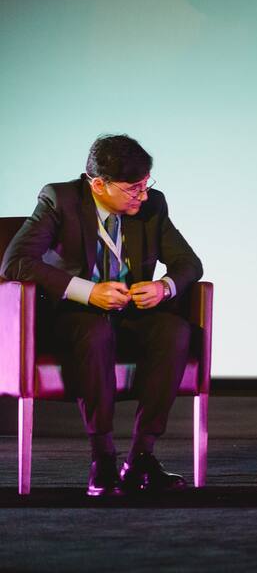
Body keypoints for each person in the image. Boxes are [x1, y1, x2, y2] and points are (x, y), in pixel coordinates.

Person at [1, 134, 203, 497]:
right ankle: (103, 458)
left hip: (129, 315)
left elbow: (189, 263)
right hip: (73, 316)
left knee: (175, 331)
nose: (143, 196)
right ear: (98, 185)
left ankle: (141, 457)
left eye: (146, 184)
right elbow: (15, 262)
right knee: (95, 332)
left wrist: (164, 286)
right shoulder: (59, 200)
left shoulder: (153, 206)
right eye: (133, 188)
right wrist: (87, 291)